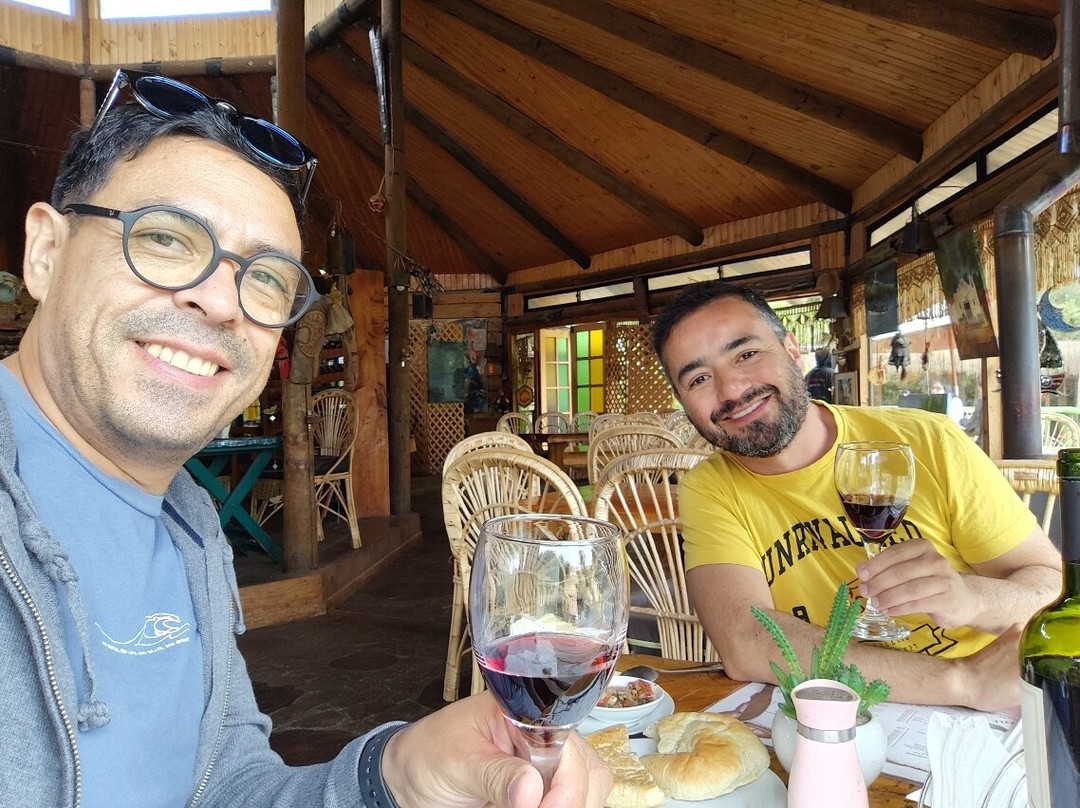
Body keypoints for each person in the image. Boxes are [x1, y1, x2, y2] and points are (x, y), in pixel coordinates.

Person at [0, 70, 609, 808]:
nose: (220, 301)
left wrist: (390, 777)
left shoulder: (188, 524)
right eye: (164, 238)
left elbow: (224, 789)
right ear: (46, 252)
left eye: (264, 279)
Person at [651, 280, 1061, 713]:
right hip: (841, 711)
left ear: (792, 349)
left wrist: (972, 599)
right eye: (699, 378)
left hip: (988, 711)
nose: (732, 390)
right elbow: (744, 640)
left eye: (746, 354)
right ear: (682, 402)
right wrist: (961, 680)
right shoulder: (711, 487)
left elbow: (1052, 587)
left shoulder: (927, 442)